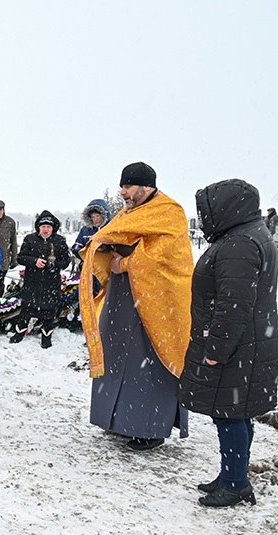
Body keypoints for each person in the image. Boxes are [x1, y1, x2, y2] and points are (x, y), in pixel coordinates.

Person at [179, 179, 278, 507]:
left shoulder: (239, 244)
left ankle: (236, 482)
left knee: (230, 414)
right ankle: (231, 474)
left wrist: (216, 351)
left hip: (238, 347)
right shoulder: (249, 235)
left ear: (226, 208)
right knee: (236, 412)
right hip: (250, 343)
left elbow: (232, 306)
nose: (204, 218)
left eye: (206, 211)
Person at [79, 162, 192, 451]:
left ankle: (150, 428)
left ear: (146, 185)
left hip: (155, 304)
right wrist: (103, 249)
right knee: (118, 359)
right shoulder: (129, 212)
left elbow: (166, 260)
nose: (123, 192)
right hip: (123, 298)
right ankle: (117, 420)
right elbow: (113, 235)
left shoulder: (170, 212)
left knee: (148, 364)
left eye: (128, 186)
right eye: (122, 186)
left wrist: (125, 263)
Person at [9, 211, 70, 348]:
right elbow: (20, 257)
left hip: (51, 282)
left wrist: (56, 266)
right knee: (27, 309)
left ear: (53, 228)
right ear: (38, 227)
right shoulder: (30, 239)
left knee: (49, 311)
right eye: (43, 226)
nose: (46, 229)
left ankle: (46, 336)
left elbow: (66, 260)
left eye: (48, 226)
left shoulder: (59, 241)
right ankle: (19, 333)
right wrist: (34, 261)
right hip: (32, 281)